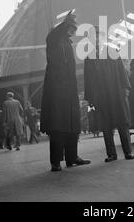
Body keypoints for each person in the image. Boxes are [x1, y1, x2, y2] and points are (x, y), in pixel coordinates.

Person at [40, 11, 91, 172]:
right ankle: (55, 162)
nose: (73, 31)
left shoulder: (67, 42)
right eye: (71, 27)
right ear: (63, 27)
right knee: (58, 126)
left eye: (74, 29)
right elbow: (54, 34)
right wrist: (66, 21)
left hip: (69, 90)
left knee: (72, 125)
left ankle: (72, 157)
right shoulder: (54, 40)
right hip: (56, 90)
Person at [84, 27, 134, 162]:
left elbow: (121, 70)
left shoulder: (112, 52)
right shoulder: (89, 58)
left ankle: (128, 151)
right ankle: (111, 154)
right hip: (101, 96)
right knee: (106, 125)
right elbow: (88, 79)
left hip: (116, 92)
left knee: (122, 123)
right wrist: (90, 98)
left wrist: (125, 87)